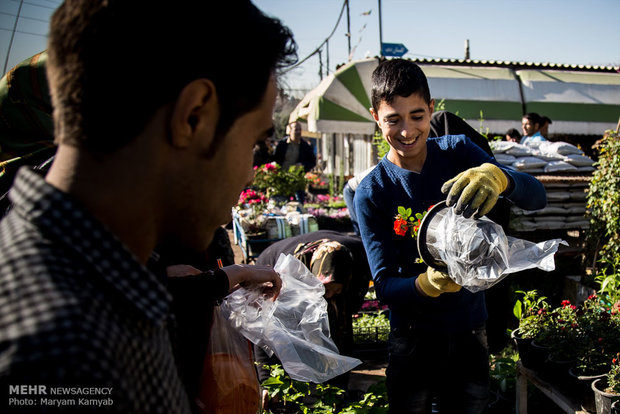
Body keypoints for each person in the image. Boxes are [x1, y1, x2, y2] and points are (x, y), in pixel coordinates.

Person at [0, 2, 297, 413]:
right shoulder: (67, 352)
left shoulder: (93, 275)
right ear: (193, 117)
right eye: (253, 140)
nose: (250, 174)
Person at [354, 58, 546, 413]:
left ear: (431, 109)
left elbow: (537, 197)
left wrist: (502, 178)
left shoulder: (457, 152)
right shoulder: (373, 192)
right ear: (375, 117)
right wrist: (426, 284)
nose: (407, 131)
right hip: (411, 339)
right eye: (393, 119)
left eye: (417, 116)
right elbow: (383, 285)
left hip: (469, 331)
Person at [252, 230, 372, 408]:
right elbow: (264, 329)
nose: (329, 295)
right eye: (324, 290)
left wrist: (339, 385)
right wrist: (266, 379)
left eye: (336, 291)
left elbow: (344, 328)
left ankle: (335, 389)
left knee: (337, 320)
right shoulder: (286, 274)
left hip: (340, 265)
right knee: (285, 328)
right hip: (271, 267)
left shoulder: (359, 264)